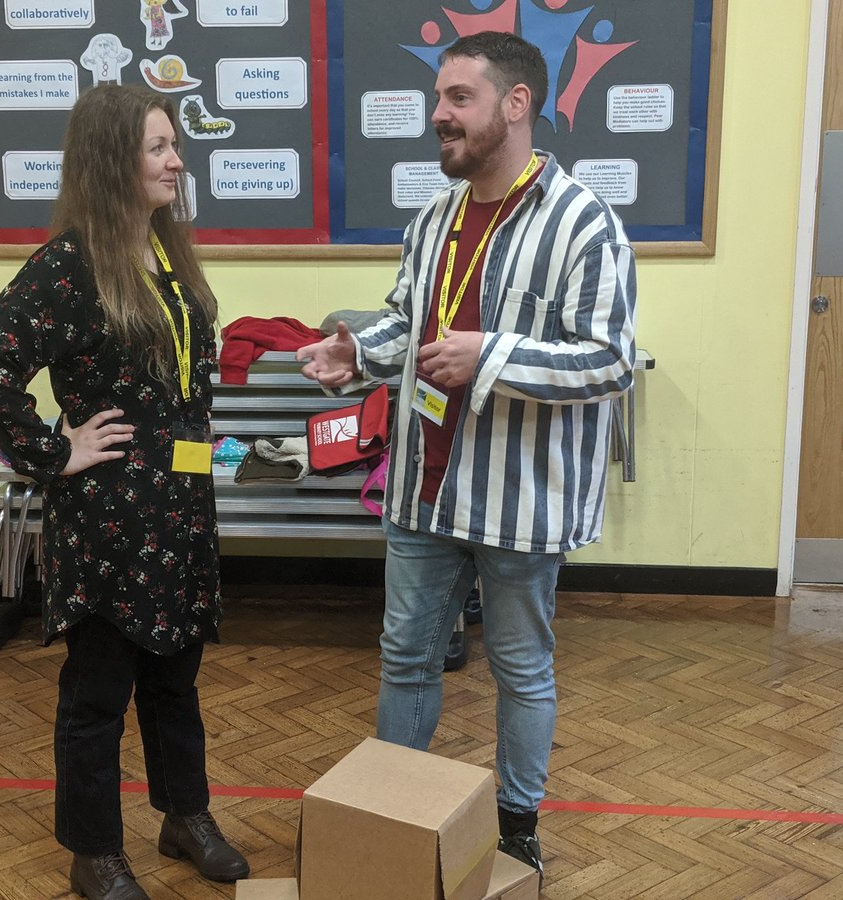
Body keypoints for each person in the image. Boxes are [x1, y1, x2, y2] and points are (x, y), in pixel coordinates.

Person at [296, 31, 636, 887]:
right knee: (406, 657)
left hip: (519, 501)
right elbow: (406, 320)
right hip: (423, 487)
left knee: (522, 668)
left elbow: (608, 361)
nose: (437, 116)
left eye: (457, 99)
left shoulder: (582, 223)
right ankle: (389, 813)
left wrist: (489, 355)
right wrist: (354, 350)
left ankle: (517, 825)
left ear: (515, 104)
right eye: (437, 100)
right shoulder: (434, 219)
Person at [0, 85, 248, 900]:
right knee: (98, 694)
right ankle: (94, 853)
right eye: (157, 147)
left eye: (173, 145)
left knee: (175, 679)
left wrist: (219, 455)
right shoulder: (69, 263)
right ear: (112, 160)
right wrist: (56, 450)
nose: (175, 160)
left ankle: (183, 814)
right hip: (110, 520)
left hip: (181, 509)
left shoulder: (164, 251)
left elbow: (180, 390)